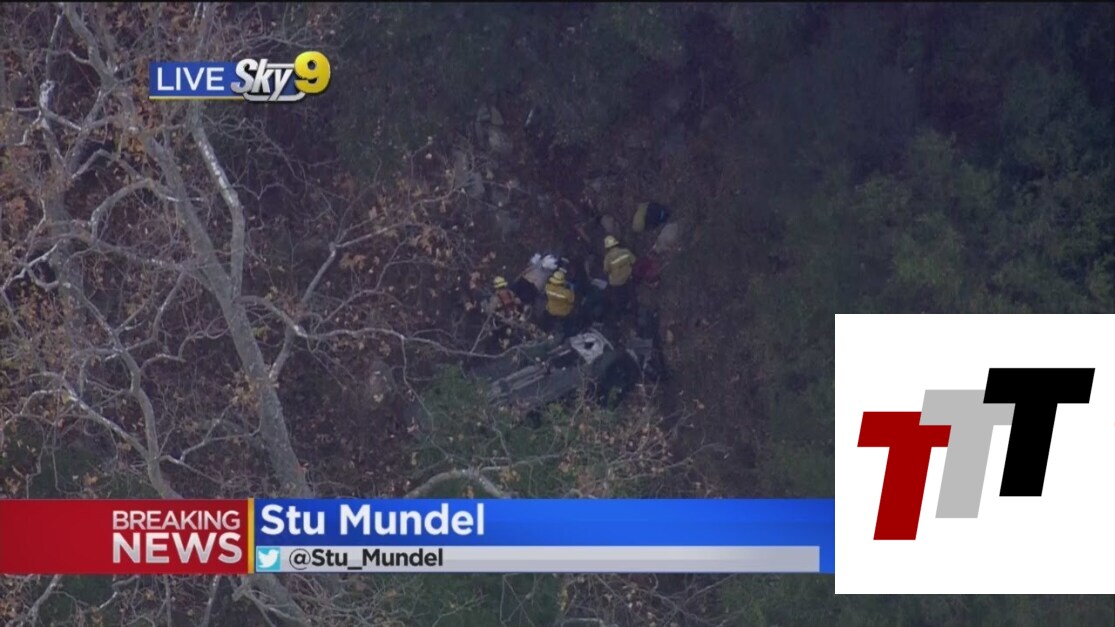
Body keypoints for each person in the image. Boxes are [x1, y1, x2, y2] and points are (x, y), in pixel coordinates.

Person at [602, 235, 636, 322]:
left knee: (618, 301)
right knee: (631, 296)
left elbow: (606, 271)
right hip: (628, 278)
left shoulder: (608, 258)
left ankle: (620, 317)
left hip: (616, 283)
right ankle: (633, 311)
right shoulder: (626, 251)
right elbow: (634, 261)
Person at [542, 270, 576, 336]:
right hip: (564, 312)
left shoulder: (547, 287)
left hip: (551, 310)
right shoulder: (567, 293)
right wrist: (572, 289)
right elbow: (572, 301)